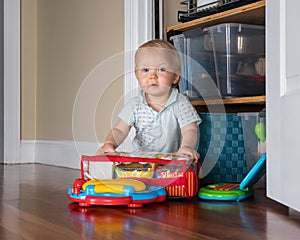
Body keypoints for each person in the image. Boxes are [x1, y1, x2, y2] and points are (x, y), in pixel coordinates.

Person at [96, 39, 201, 161]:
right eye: (145, 70)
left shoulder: (180, 103)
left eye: (161, 69)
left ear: (175, 76)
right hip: (141, 161)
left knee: (187, 172)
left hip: (172, 161)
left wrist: (187, 147)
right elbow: (120, 130)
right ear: (137, 75)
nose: (152, 76)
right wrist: (110, 143)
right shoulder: (134, 105)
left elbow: (190, 129)